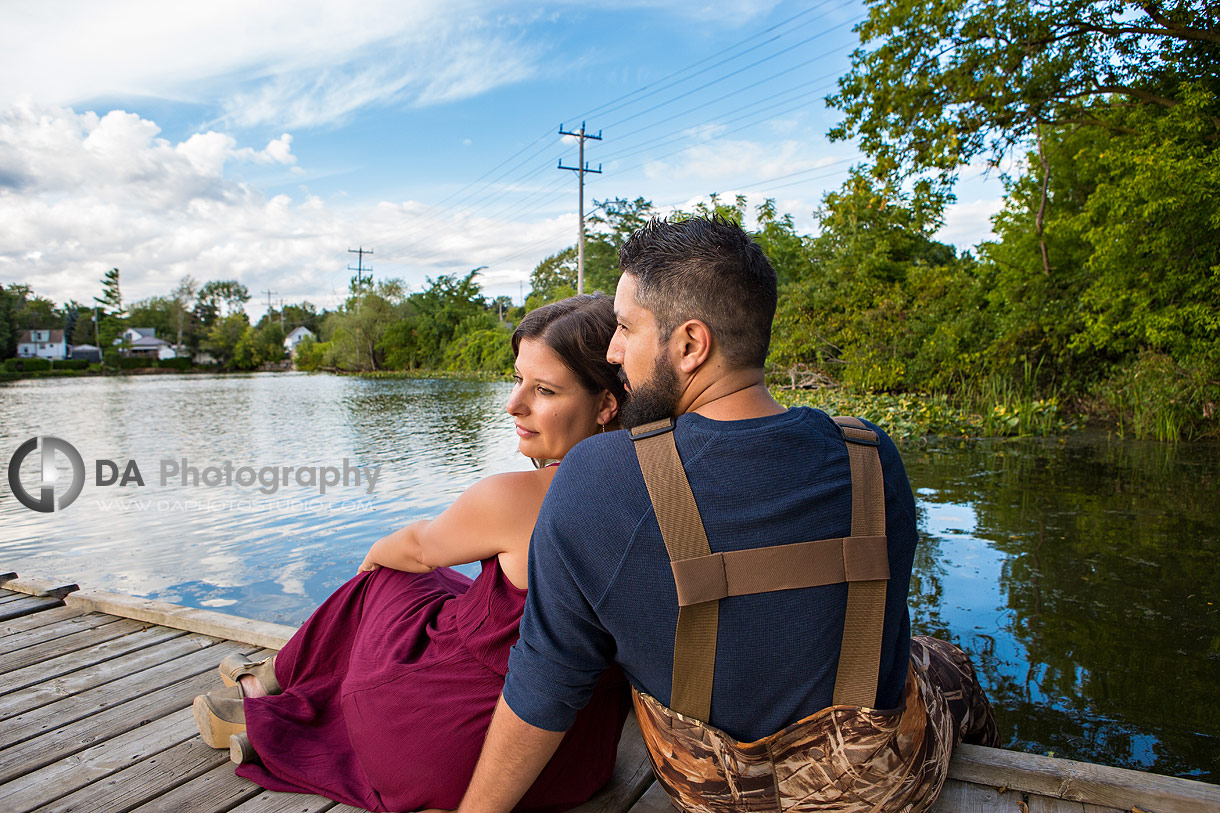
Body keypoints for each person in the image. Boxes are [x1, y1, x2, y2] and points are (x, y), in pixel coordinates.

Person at [448, 216, 998, 813]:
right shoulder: (871, 453)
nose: (613, 351)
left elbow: (545, 684)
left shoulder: (596, 477)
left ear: (689, 345)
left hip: (715, 795)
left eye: (626, 328)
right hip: (879, 789)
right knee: (943, 658)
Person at [190, 294, 632, 812]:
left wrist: (367, 574)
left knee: (389, 580)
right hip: (574, 765)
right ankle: (274, 681)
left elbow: (413, 549)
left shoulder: (516, 498)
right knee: (453, 588)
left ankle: (268, 687)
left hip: (454, 755)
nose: (514, 404)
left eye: (544, 390)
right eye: (517, 380)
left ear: (606, 403)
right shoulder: (660, 488)